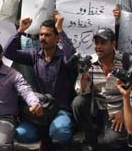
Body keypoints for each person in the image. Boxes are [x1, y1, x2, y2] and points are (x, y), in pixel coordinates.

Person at [4, 13, 78, 150]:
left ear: (57, 38)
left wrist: (60, 29)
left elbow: (73, 56)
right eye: (41, 35)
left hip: (61, 109)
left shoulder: (64, 58)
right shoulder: (35, 55)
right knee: (21, 134)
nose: (43, 38)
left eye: (47, 35)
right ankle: (45, 136)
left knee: (60, 132)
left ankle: (66, 144)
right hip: (41, 111)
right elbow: (8, 53)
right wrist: (20, 30)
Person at [72, 28, 132, 150]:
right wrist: (84, 77)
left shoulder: (127, 60)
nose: (99, 47)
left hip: (119, 108)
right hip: (97, 108)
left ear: (113, 44)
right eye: (96, 43)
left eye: (103, 43)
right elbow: (81, 91)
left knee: (111, 140)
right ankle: (91, 137)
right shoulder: (89, 62)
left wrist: (124, 112)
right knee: (77, 103)